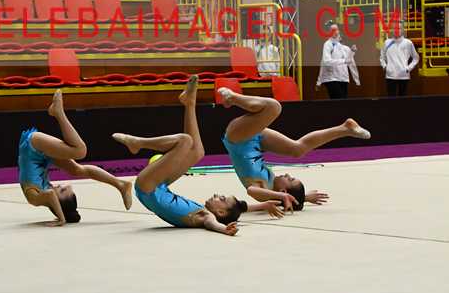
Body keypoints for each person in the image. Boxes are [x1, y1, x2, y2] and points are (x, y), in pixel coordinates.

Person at [113, 77, 284, 234]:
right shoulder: (211, 211)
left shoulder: (206, 217)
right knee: (198, 152)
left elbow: (213, 224)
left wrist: (224, 229)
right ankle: (190, 103)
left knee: (185, 141)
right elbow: (240, 208)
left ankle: (139, 143)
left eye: (221, 198)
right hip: (158, 187)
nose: (217, 194)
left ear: (220, 212)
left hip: (149, 188)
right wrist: (263, 205)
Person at [218, 88, 370, 211]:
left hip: (238, 138)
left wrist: (282, 198)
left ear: (283, 192)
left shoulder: (264, 192)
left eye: (290, 179)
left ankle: (233, 97)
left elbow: (251, 191)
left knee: (273, 107)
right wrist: (303, 198)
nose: (287, 174)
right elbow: (286, 195)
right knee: (298, 150)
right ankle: (345, 128)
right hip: (256, 141)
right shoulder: (274, 186)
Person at [19, 90, 132, 225]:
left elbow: (50, 195)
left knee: (80, 151)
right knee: (77, 169)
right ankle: (121, 184)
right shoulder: (46, 193)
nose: (59, 185)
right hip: (42, 157)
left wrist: (61, 219)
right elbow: (51, 196)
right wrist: (63, 216)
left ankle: (59, 113)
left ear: (57, 202)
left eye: (61, 190)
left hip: (33, 147)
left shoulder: (35, 198)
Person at [316, 24, 360, 99]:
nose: (336, 32)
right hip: (331, 79)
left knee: (342, 102)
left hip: (343, 79)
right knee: (338, 100)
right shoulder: (328, 44)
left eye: (336, 30)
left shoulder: (346, 48)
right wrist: (319, 81)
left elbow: (350, 62)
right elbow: (325, 62)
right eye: (333, 30)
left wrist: (352, 52)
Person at [380, 24, 419, 97]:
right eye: (395, 28)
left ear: (402, 30)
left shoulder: (408, 43)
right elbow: (382, 57)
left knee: (402, 100)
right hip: (390, 76)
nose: (396, 30)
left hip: (404, 75)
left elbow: (416, 58)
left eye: (399, 28)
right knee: (391, 99)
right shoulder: (387, 42)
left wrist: (408, 68)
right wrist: (385, 67)